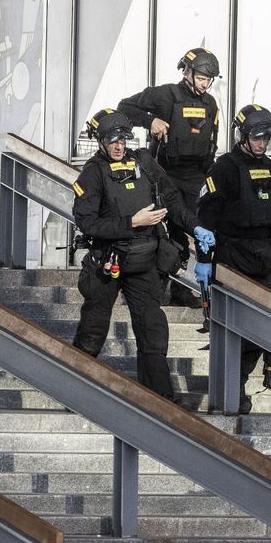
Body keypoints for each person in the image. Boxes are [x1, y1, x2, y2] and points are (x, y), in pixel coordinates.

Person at [70, 107, 188, 401]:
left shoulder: (144, 162)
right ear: (100, 141)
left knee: (152, 329)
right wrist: (132, 223)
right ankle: (74, 393)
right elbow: (86, 222)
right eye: (113, 140)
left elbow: (171, 196)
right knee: (94, 329)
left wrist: (195, 227)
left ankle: (160, 400)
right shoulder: (92, 172)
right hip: (107, 259)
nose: (120, 146)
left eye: (124, 139)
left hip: (144, 260)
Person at [194, 103, 271, 414]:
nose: (263, 144)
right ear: (243, 136)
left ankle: (263, 366)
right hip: (232, 258)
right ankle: (232, 391)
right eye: (257, 138)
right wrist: (204, 260)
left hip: (263, 256)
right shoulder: (224, 167)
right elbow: (205, 216)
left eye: (267, 139)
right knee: (240, 327)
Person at [115, 46, 221, 308]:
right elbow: (123, 107)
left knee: (198, 230)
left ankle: (184, 292)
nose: (205, 84)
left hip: (196, 175)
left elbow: (212, 141)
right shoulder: (166, 94)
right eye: (201, 77)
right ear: (186, 72)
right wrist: (150, 121)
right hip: (166, 174)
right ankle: (153, 291)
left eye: (209, 79)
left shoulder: (211, 103)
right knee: (171, 234)